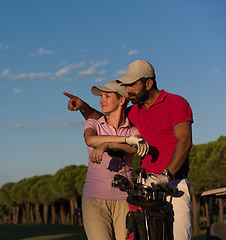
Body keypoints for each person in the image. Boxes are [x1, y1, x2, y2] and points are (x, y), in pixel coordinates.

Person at [64, 60, 193, 240]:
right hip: (145, 187)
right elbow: (105, 119)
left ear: (148, 83)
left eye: (132, 84)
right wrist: (84, 107)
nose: (129, 89)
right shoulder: (135, 111)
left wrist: (166, 176)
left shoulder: (175, 102)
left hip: (173, 184)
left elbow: (185, 141)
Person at [77, 80, 148, 240]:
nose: (101, 100)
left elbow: (133, 148)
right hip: (94, 199)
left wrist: (107, 144)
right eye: (101, 96)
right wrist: (125, 139)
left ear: (122, 100)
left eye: (107, 96)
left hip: (125, 200)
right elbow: (90, 140)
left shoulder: (134, 130)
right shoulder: (93, 123)